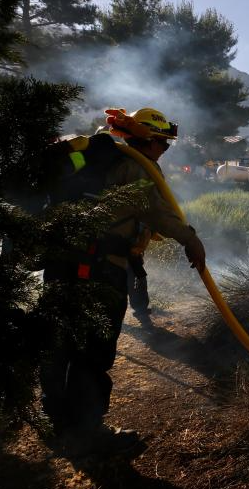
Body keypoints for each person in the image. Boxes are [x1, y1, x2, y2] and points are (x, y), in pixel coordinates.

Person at [41, 107, 206, 457]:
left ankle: (57, 419)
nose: (164, 151)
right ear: (147, 139)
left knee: (59, 341)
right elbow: (158, 212)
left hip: (61, 262)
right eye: (163, 144)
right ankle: (88, 431)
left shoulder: (96, 157)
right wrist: (190, 239)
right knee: (93, 347)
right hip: (98, 268)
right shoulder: (134, 165)